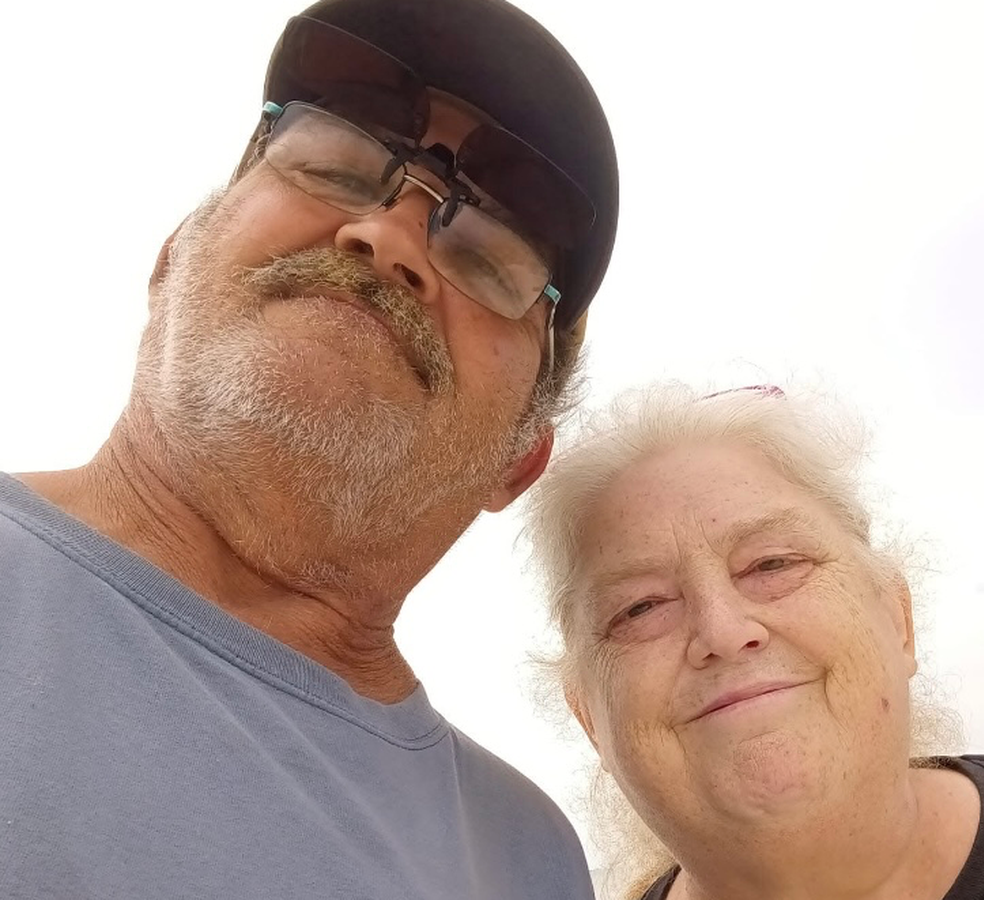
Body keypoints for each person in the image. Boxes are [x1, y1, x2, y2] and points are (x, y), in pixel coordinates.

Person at [0, 1, 617, 897]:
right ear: (172, 262)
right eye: (334, 164)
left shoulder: (530, 864)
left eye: (490, 258)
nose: (390, 237)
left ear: (516, 463)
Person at [523, 383, 984, 900]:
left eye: (773, 564)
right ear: (589, 718)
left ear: (897, 619)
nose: (723, 631)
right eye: (640, 608)